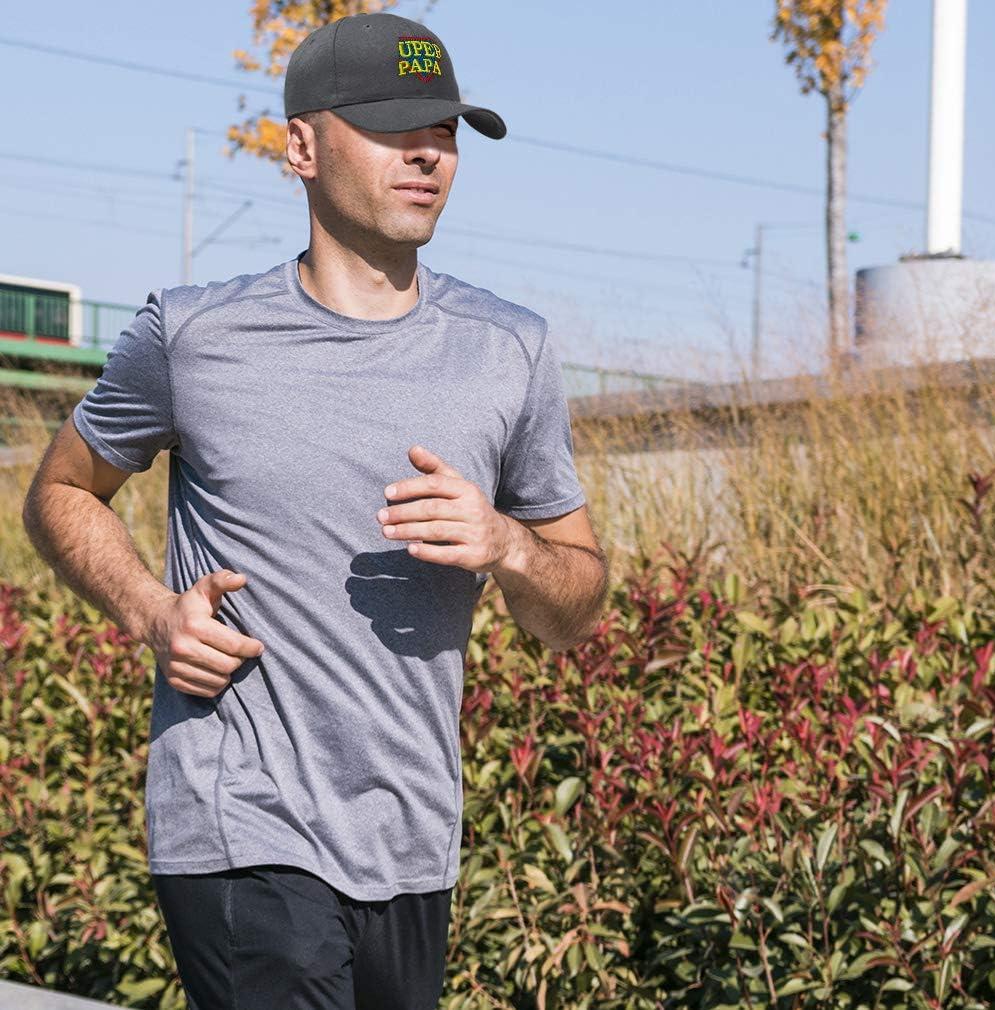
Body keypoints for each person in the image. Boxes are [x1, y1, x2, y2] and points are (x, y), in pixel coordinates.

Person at [21, 10, 608, 1010]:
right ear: (301, 146)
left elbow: (574, 609)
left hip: (412, 838)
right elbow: (60, 491)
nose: (427, 153)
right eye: (391, 126)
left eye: (445, 131)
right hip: (240, 821)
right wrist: (151, 612)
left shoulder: (509, 348)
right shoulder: (193, 334)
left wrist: (508, 544)